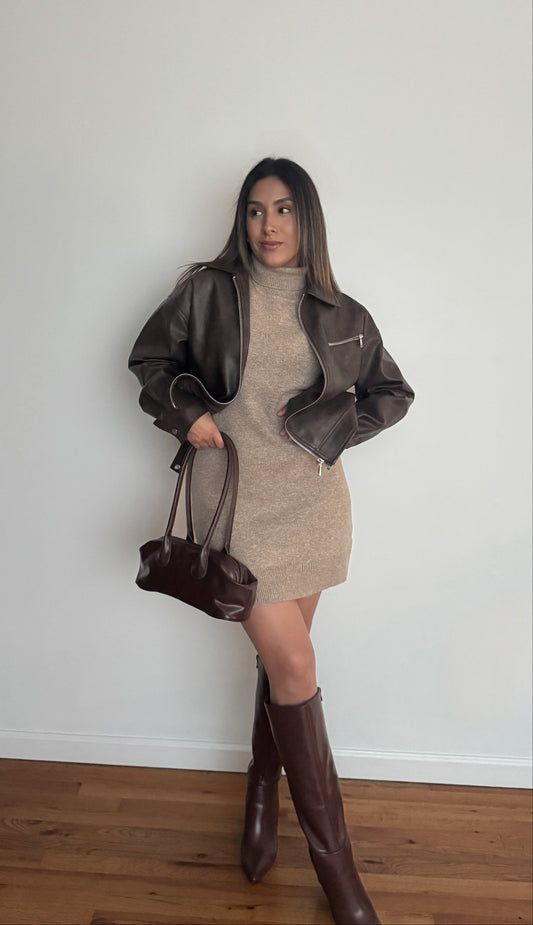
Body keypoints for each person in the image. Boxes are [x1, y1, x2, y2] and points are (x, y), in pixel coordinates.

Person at [128, 157, 414, 925]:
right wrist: (186, 409)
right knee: (294, 664)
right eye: (255, 210)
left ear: (306, 218)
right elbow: (150, 360)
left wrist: (331, 429)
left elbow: (391, 392)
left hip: (312, 507)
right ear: (242, 218)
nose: (269, 224)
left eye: (284, 209)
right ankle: (339, 875)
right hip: (236, 504)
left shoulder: (341, 311)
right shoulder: (205, 291)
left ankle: (261, 792)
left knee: (283, 665)